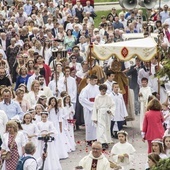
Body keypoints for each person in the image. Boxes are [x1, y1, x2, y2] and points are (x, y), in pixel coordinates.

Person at [92, 84, 115, 149]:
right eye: (102, 91)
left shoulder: (108, 97)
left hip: (106, 114)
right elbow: (95, 108)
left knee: (106, 127)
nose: (103, 92)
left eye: (105, 91)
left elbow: (113, 105)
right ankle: (102, 142)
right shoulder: (97, 97)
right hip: (100, 114)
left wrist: (110, 110)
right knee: (101, 128)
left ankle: (106, 141)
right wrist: (95, 117)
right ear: (100, 90)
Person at [79, 75, 100, 146]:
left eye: (96, 80)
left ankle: (96, 138)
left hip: (96, 107)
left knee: (96, 124)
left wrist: (97, 104)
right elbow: (82, 99)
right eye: (94, 80)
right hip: (89, 109)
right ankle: (89, 139)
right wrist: (92, 105)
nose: (95, 82)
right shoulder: (86, 89)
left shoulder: (98, 88)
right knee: (89, 124)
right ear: (90, 80)